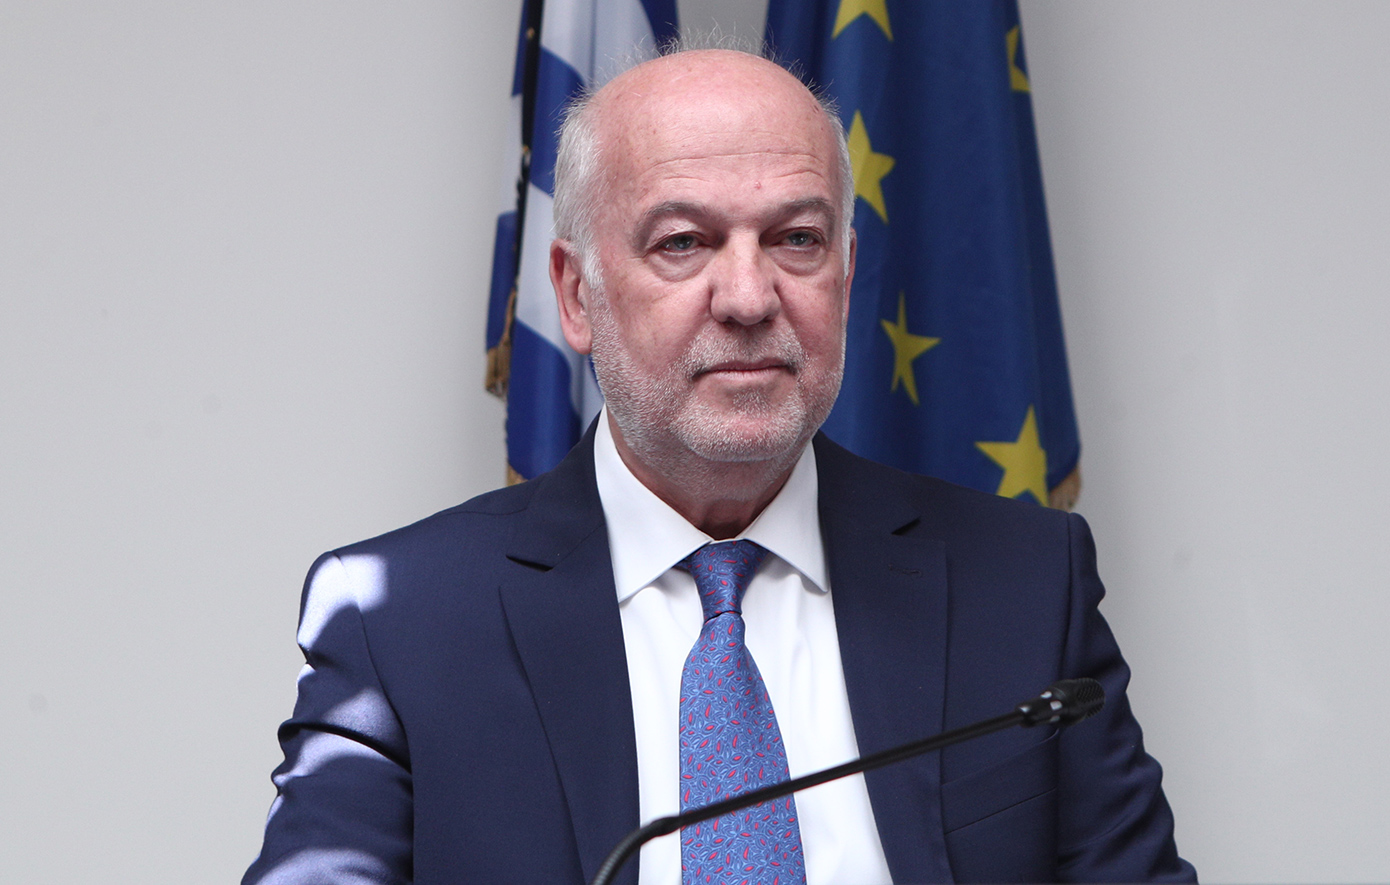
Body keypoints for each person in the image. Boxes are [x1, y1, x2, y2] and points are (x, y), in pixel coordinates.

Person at [244, 49, 1195, 885]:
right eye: (683, 243)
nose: (748, 297)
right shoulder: (401, 621)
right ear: (576, 295)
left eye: (796, 239)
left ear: (846, 275)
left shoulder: (1024, 585)